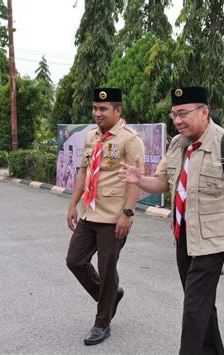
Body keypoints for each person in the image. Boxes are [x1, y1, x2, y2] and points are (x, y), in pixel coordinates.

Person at [119, 86, 224, 354]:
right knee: (203, 306)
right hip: (183, 237)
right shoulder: (177, 144)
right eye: (173, 115)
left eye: (182, 113)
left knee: (193, 308)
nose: (177, 120)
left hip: (212, 241)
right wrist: (139, 180)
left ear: (204, 112)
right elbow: (161, 182)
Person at [65, 88, 145, 346]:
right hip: (89, 213)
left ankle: (102, 323)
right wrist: (73, 204)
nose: (97, 113)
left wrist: (127, 213)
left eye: (103, 109)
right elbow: (82, 173)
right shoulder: (90, 136)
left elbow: (136, 180)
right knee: (75, 260)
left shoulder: (130, 139)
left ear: (118, 111)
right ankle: (110, 296)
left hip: (113, 217)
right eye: (95, 109)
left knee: (107, 269)